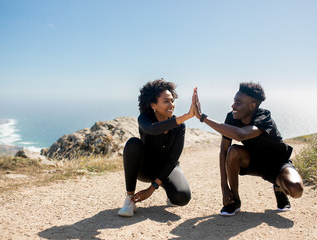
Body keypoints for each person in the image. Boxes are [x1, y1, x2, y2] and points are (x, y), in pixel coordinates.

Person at [192, 82, 304, 216]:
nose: (233, 106)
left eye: (238, 102)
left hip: (277, 164)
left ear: (253, 106)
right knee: (233, 151)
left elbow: (241, 134)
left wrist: (202, 118)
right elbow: (224, 150)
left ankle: (279, 188)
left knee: (296, 189)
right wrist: (224, 187)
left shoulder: (264, 117)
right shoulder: (231, 118)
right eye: (234, 101)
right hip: (252, 161)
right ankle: (235, 200)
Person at [118, 79, 195, 217]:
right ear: (153, 105)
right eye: (166, 101)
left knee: (182, 198)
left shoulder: (180, 126)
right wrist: (187, 116)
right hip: (145, 168)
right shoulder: (144, 118)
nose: (171, 105)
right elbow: (152, 130)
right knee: (133, 143)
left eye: (172, 100)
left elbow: (172, 159)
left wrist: (152, 188)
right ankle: (129, 199)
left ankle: (167, 188)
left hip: (167, 168)